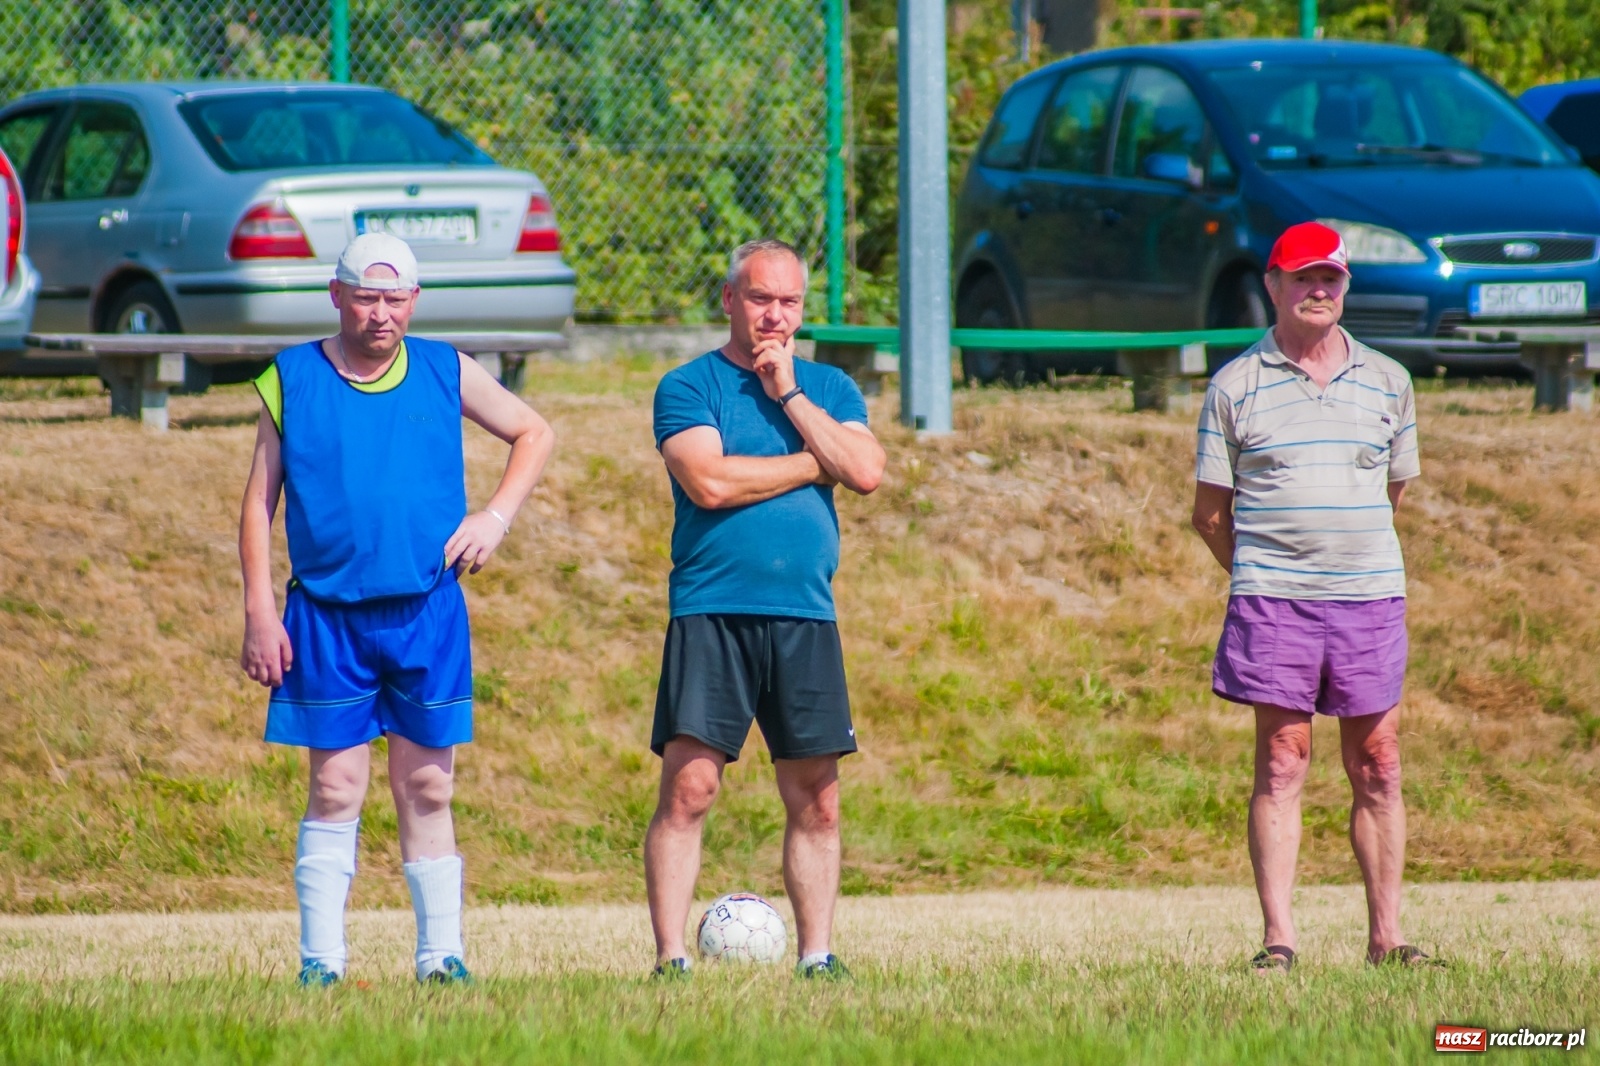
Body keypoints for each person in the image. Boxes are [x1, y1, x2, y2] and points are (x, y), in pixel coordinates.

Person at [238, 233, 555, 986]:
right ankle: (321, 964)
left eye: (395, 300)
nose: (381, 315)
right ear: (336, 294)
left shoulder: (447, 369)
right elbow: (258, 505)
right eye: (366, 297)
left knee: (428, 786)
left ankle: (440, 958)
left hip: (426, 613)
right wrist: (258, 610)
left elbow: (533, 432)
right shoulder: (292, 378)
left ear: (414, 301)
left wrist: (496, 517)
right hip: (325, 616)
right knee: (335, 786)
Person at [1191, 221, 1432, 972]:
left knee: (1380, 763)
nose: (1318, 290)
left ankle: (1387, 938)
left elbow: (1391, 490)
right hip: (1274, 603)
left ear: (1346, 286)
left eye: (1331, 278)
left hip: (1369, 600)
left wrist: (1341, 554)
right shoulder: (1235, 384)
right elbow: (1208, 514)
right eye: (1303, 278)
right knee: (1283, 761)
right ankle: (1279, 940)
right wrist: (1266, 572)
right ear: (1273, 285)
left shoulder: (1389, 381)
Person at [644, 238, 886, 979]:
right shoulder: (688, 386)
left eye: (788, 302)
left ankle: (818, 956)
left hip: (806, 614)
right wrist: (819, 462)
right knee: (691, 786)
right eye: (759, 299)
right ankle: (672, 958)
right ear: (729, 301)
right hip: (712, 609)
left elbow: (867, 471)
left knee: (818, 798)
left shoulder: (831, 389)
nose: (774, 316)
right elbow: (710, 484)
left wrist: (789, 396)